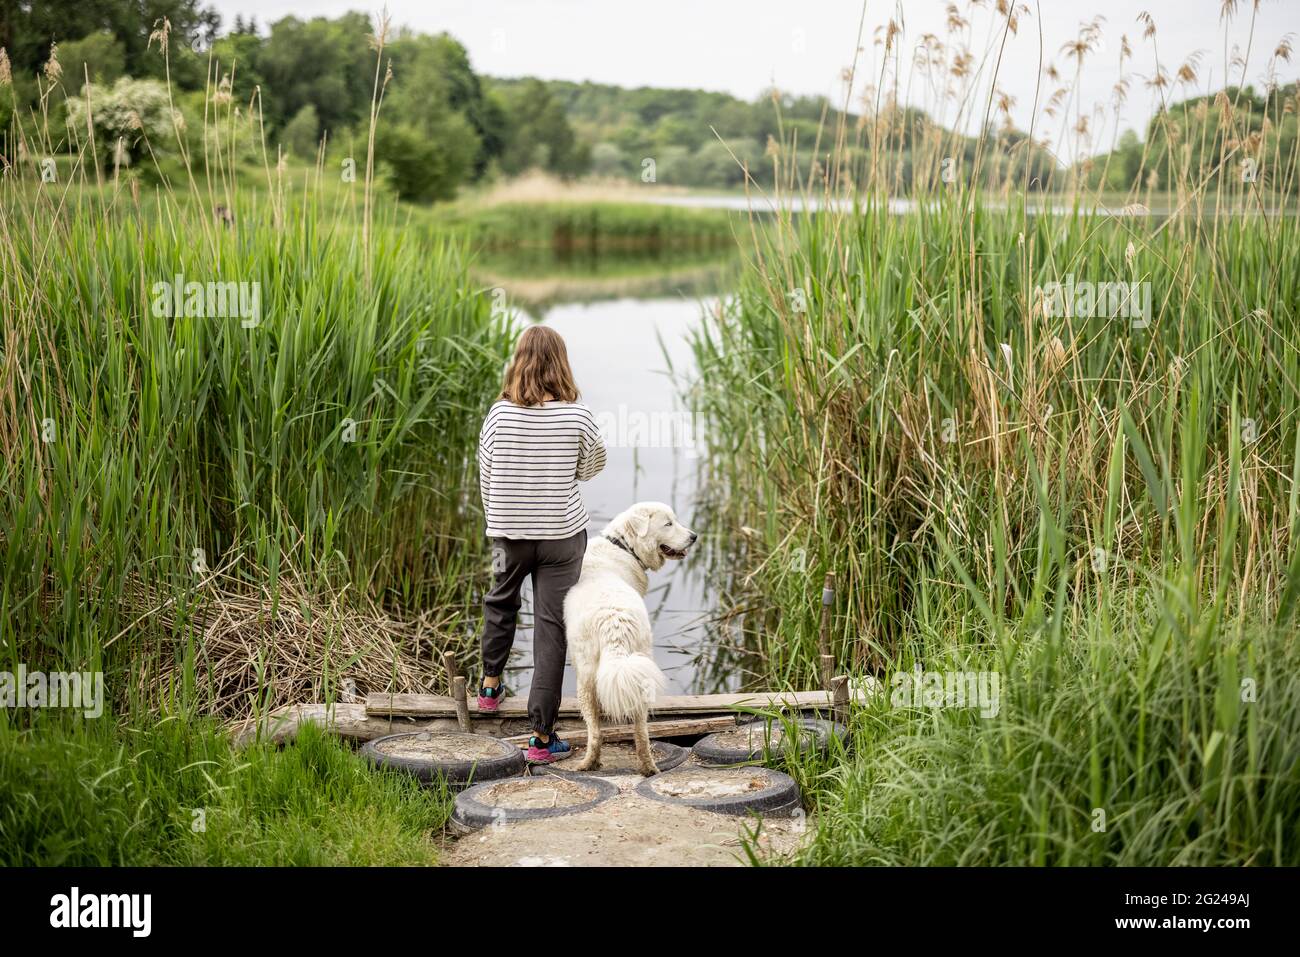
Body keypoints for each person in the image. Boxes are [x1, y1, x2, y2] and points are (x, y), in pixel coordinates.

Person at [475, 325, 607, 763]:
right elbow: (591, 468)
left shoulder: (499, 414)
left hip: (507, 534)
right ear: (560, 363)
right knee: (552, 628)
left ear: (519, 361)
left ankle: (490, 688)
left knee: (500, 602)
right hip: (562, 537)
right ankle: (540, 738)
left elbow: (487, 474)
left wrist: (501, 517)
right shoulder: (577, 415)